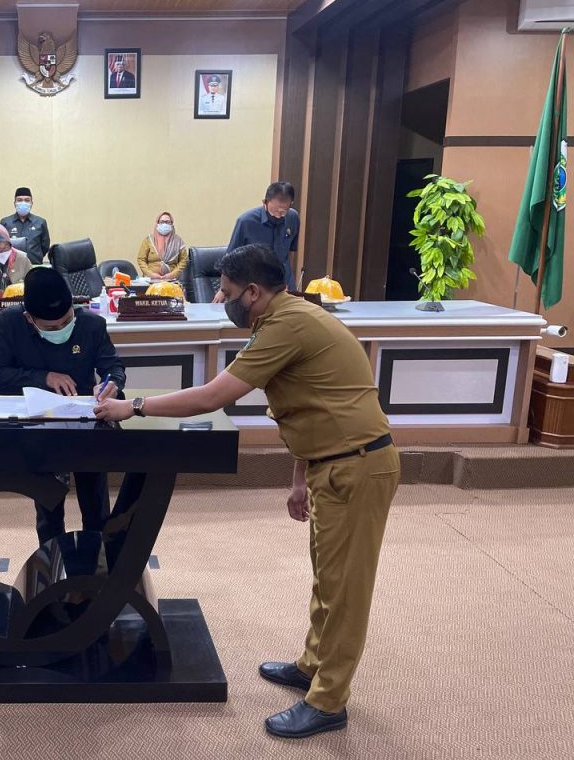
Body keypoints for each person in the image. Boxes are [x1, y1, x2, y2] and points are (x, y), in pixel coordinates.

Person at [95, 244, 399, 740]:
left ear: (253, 292)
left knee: (346, 590)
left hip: (356, 467)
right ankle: (312, 665)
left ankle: (328, 701)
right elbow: (312, 403)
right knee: (328, 577)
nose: (220, 298)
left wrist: (136, 406)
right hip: (334, 464)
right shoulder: (286, 317)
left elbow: (213, 396)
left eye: (227, 291)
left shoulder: (287, 325)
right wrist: (300, 478)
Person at [0, 267, 123, 545]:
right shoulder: (11, 323)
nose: (61, 330)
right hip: (39, 427)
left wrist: (112, 384)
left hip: (85, 425)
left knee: (96, 507)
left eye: (66, 322)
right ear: (29, 318)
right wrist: (43, 377)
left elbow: (114, 367)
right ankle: (50, 559)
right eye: (50, 328)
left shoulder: (91, 325)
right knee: (48, 510)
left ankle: (98, 563)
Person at [214, 181, 301, 300]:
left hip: (284, 286)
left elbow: (291, 252)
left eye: (283, 211)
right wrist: (223, 290)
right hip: (255, 288)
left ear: (291, 204)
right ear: (265, 202)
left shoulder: (293, 217)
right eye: (275, 211)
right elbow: (230, 259)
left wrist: (289, 280)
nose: (278, 215)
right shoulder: (246, 221)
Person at [0, 187, 50, 265]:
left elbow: (45, 246)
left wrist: (35, 256)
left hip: (34, 266)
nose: (23, 203)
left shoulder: (40, 222)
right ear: (14, 203)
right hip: (12, 267)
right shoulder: (5, 223)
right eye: (19, 200)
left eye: (27, 200)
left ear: (31, 203)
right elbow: (1, 246)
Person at [136, 211, 188, 281]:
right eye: (162, 222)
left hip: (172, 280)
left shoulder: (178, 241)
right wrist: (151, 274)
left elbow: (183, 260)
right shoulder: (148, 240)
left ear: (172, 224)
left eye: (167, 222)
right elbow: (141, 259)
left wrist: (172, 274)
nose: (164, 224)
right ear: (157, 224)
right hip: (151, 280)